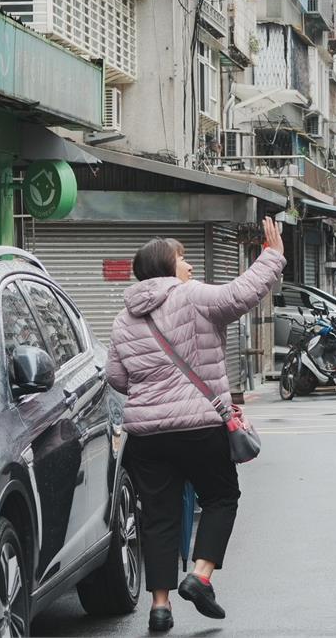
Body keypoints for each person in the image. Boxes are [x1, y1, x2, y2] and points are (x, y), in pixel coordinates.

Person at [106, 218, 286, 633]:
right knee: (222, 497)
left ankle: (160, 607)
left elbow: (117, 379)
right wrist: (271, 256)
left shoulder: (122, 320)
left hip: (147, 436)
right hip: (199, 425)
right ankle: (200, 576)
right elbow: (241, 294)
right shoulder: (191, 296)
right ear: (168, 267)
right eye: (182, 259)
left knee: (158, 517)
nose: (188, 266)